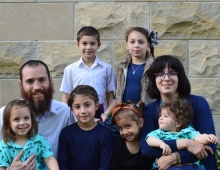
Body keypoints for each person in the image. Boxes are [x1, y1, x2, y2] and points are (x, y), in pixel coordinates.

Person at [140, 55, 218, 170]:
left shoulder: (198, 102)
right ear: (154, 79)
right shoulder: (149, 110)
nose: (166, 78)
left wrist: (175, 157)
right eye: (160, 74)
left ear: (179, 77)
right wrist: (186, 143)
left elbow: (210, 145)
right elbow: (146, 149)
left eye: (171, 72)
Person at [0, 60, 74, 170]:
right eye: (30, 81)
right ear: (21, 84)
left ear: (49, 80)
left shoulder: (65, 113)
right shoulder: (3, 115)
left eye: (41, 80)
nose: (36, 87)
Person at [60, 26, 116, 122]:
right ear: (78, 44)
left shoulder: (106, 68)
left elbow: (111, 97)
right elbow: (66, 98)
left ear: (99, 45)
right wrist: (71, 117)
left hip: (100, 118)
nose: (88, 47)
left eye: (92, 43)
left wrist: (106, 114)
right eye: (84, 43)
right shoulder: (70, 69)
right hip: (78, 117)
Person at [146, 100, 219, 169]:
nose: (160, 118)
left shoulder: (187, 131)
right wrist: (161, 144)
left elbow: (199, 138)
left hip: (191, 166)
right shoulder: (159, 133)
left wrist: (208, 137)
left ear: (178, 123)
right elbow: (149, 139)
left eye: (166, 116)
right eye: (161, 115)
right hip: (171, 167)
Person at [58, 85, 113, 170]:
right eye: (77, 107)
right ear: (72, 109)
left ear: (96, 105)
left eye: (87, 105)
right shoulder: (66, 133)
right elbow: (63, 164)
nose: (83, 111)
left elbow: (105, 166)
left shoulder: (105, 134)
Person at [0, 100, 59, 170]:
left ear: (32, 119)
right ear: (8, 123)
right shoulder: (5, 145)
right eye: (16, 119)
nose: (22, 123)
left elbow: (49, 159)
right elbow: (2, 166)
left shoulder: (39, 140)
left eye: (26, 118)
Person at [115, 26, 158, 104]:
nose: (136, 45)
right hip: (123, 111)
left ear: (148, 44)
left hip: (146, 111)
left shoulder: (154, 66)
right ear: (127, 45)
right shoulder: (122, 66)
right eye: (132, 42)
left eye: (141, 42)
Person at [110, 101, 153, 170]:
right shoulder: (117, 144)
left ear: (140, 123)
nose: (124, 132)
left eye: (128, 126)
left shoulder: (146, 146)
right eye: (120, 128)